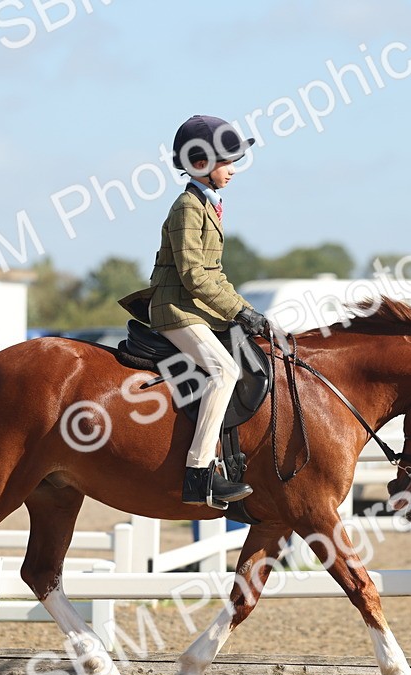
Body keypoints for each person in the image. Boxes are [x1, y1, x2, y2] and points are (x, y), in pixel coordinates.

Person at [119, 115, 272, 508]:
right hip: (176, 310)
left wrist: (248, 313)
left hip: (197, 309)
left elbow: (215, 274)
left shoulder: (209, 204)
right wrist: (240, 310)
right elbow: (193, 276)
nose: (234, 170)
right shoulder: (188, 206)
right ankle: (199, 474)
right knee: (226, 371)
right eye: (227, 162)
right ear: (201, 163)